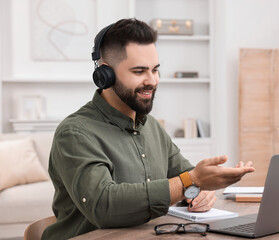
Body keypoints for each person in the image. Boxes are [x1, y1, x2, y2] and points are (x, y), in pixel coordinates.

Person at [41, 18, 254, 240]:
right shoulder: (75, 133)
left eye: (155, 70)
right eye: (139, 71)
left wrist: (202, 190)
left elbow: (186, 178)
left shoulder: (151, 126)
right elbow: (103, 206)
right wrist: (192, 181)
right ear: (105, 75)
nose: (152, 81)